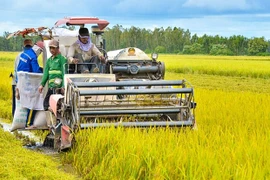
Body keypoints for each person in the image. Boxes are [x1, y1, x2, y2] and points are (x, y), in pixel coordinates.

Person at [15, 39, 44, 127]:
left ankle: (23, 123)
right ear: (39, 50)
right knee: (34, 102)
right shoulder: (33, 57)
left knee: (24, 103)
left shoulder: (24, 54)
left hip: (20, 82)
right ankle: (31, 122)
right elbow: (36, 71)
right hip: (28, 84)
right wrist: (44, 72)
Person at [38, 39, 67, 113]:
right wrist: (42, 84)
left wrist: (64, 85)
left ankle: (55, 110)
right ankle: (53, 109)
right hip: (51, 84)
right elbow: (46, 74)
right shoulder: (49, 60)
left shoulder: (62, 59)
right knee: (46, 104)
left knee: (54, 97)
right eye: (50, 48)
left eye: (53, 48)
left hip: (58, 82)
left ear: (58, 48)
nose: (51, 50)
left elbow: (64, 72)